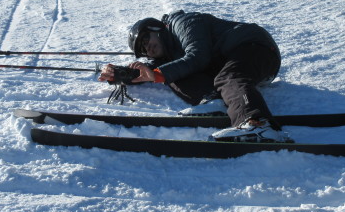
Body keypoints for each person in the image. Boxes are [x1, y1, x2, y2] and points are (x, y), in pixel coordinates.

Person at [99, 10, 292, 143]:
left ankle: (258, 124)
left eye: (145, 39)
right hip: (233, 60)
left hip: (254, 46)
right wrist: (118, 74)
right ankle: (214, 102)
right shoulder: (170, 56)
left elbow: (198, 56)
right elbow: (149, 72)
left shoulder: (182, 23)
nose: (146, 48)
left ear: (157, 28)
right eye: (142, 50)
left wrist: (158, 73)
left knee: (228, 77)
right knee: (172, 74)